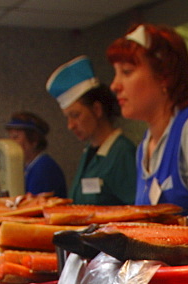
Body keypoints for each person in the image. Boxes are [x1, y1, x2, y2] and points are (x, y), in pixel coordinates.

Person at [106, 23, 188, 225]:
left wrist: (175, 228)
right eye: (116, 73)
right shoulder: (145, 146)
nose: (115, 85)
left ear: (164, 77)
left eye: (127, 72)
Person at [46, 56, 137, 205]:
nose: (70, 125)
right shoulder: (89, 152)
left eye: (75, 115)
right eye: (67, 118)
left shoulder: (122, 153)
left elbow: (138, 210)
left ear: (97, 109)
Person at [5, 112, 67, 197]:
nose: (11, 143)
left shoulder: (43, 167)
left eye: (16, 137)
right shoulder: (28, 167)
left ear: (34, 140)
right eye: (10, 137)